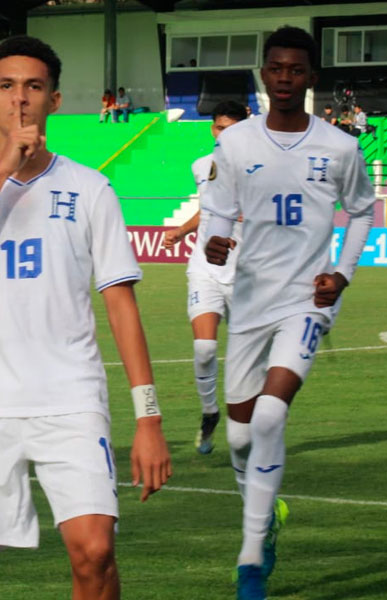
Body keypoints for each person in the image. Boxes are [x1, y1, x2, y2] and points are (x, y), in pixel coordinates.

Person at [0, 35, 172, 600]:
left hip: (70, 398)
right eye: (8, 87)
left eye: (33, 87)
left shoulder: (91, 188)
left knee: (95, 553)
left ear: (55, 100)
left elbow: (120, 304)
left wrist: (149, 417)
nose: (20, 100)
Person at [201, 26, 375, 600]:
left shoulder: (340, 147)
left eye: (295, 70)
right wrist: (216, 242)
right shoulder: (236, 145)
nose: (284, 78)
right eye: (275, 68)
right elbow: (218, 213)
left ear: (310, 78)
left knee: (271, 418)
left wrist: (342, 273)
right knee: (238, 439)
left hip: (306, 299)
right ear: (263, 74)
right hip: (250, 301)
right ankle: (267, 515)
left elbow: (364, 212)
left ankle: (251, 560)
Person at [161, 99, 247, 455]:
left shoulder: (261, 168)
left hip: (247, 274)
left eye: (231, 128)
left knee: (248, 360)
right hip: (205, 269)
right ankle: (210, 412)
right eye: (218, 127)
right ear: (212, 129)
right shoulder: (201, 166)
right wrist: (182, 230)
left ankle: (247, 424)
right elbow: (207, 207)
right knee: (205, 347)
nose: (223, 134)